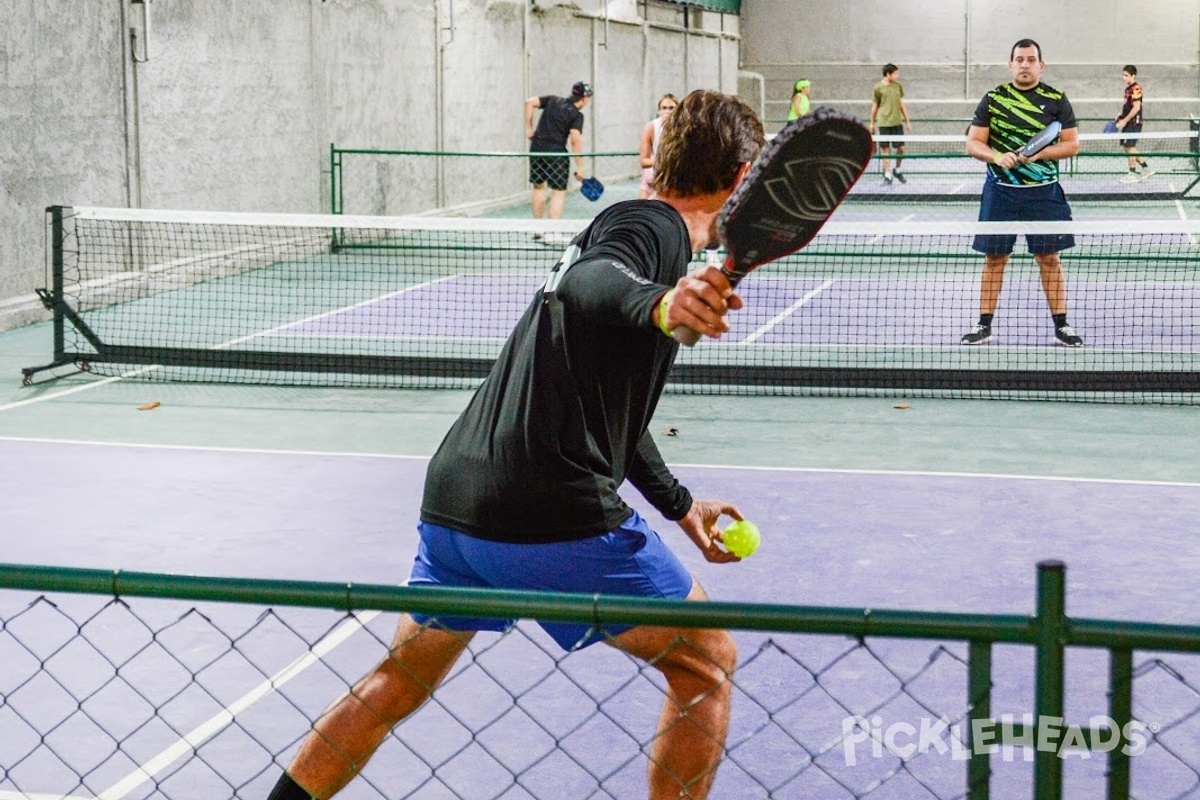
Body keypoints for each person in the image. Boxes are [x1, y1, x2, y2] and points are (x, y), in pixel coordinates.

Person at [264, 89, 766, 800]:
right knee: (706, 663)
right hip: (550, 509)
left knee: (396, 682)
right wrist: (658, 303)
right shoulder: (650, 230)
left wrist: (679, 506)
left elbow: (607, 403)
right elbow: (601, 283)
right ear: (743, 179)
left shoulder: (628, 230)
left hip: (458, 501)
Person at [960, 38, 1084, 348]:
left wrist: (1038, 155)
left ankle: (1062, 326)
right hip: (1000, 192)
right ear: (1010, 64)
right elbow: (973, 142)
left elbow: (1072, 144)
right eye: (1020, 59)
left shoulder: (1057, 99)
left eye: (1031, 59)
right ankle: (983, 324)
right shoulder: (993, 99)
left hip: (1043, 194)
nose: (1025, 64)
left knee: (1049, 259)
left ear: (1041, 64)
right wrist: (998, 157)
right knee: (995, 258)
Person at [524, 81, 593, 219]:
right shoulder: (577, 116)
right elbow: (575, 141)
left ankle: (537, 229)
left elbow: (529, 102)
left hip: (536, 148)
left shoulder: (552, 100)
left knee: (538, 187)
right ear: (585, 98)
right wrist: (580, 167)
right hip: (556, 153)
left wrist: (528, 128)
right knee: (558, 192)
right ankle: (551, 232)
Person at [869, 63, 913, 184]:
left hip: (897, 122)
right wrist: (872, 123)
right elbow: (875, 106)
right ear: (888, 74)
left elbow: (901, 104)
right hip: (883, 123)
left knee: (902, 148)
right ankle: (887, 175)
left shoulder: (898, 86)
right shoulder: (878, 88)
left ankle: (897, 170)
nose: (897, 75)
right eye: (895, 73)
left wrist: (907, 121)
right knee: (885, 150)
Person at [1115, 65, 1152, 183]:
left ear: (1133, 76)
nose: (1123, 78)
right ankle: (1146, 169)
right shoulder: (1128, 89)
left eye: (1126, 75)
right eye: (1123, 75)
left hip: (1133, 123)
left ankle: (1132, 173)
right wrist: (1120, 116)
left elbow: (1136, 108)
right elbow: (1128, 106)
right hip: (1127, 122)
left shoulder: (1136, 89)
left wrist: (1125, 120)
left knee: (1129, 147)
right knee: (1128, 147)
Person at [639, 93, 679, 199]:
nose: (667, 111)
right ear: (659, 110)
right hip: (655, 175)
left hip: (676, 177)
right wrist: (664, 162)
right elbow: (644, 161)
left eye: (671, 108)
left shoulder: (683, 128)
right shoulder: (651, 128)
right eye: (664, 108)